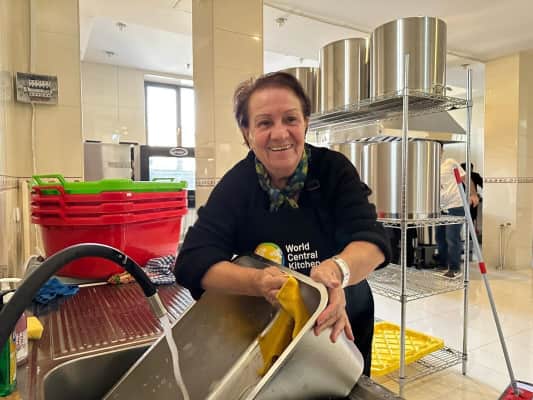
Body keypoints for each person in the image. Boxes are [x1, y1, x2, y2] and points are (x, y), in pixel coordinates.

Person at [174, 72, 391, 376]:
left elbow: (372, 241)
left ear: (306, 123)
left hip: (342, 318)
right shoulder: (238, 185)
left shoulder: (333, 170)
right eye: (264, 123)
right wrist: (255, 281)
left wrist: (336, 271)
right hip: (273, 322)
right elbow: (192, 261)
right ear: (247, 132)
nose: (279, 134)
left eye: (290, 119)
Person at [436, 157, 479, 279]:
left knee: (452, 237)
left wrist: (473, 194)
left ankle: (454, 268)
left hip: (456, 205)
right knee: (440, 237)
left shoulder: (450, 162)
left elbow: (465, 178)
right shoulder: (432, 167)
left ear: (441, 151)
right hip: (440, 208)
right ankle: (443, 264)